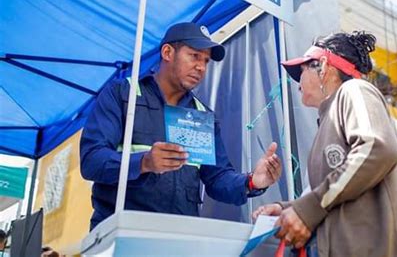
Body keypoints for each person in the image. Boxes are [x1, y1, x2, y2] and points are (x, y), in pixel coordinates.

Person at [81, 22, 282, 230]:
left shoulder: (202, 115)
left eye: (206, 61)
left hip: (178, 238)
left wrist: (253, 182)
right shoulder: (123, 94)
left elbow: (217, 178)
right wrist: (144, 162)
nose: (201, 67)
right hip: (119, 232)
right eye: (194, 56)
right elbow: (91, 160)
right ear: (167, 52)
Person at [253, 31, 397, 256]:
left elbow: (376, 148)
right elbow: (331, 191)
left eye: (303, 69)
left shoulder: (355, 90)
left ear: (324, 66)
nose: (297, 81)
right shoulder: (328, 120)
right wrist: (286, 209)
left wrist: (308, 209)